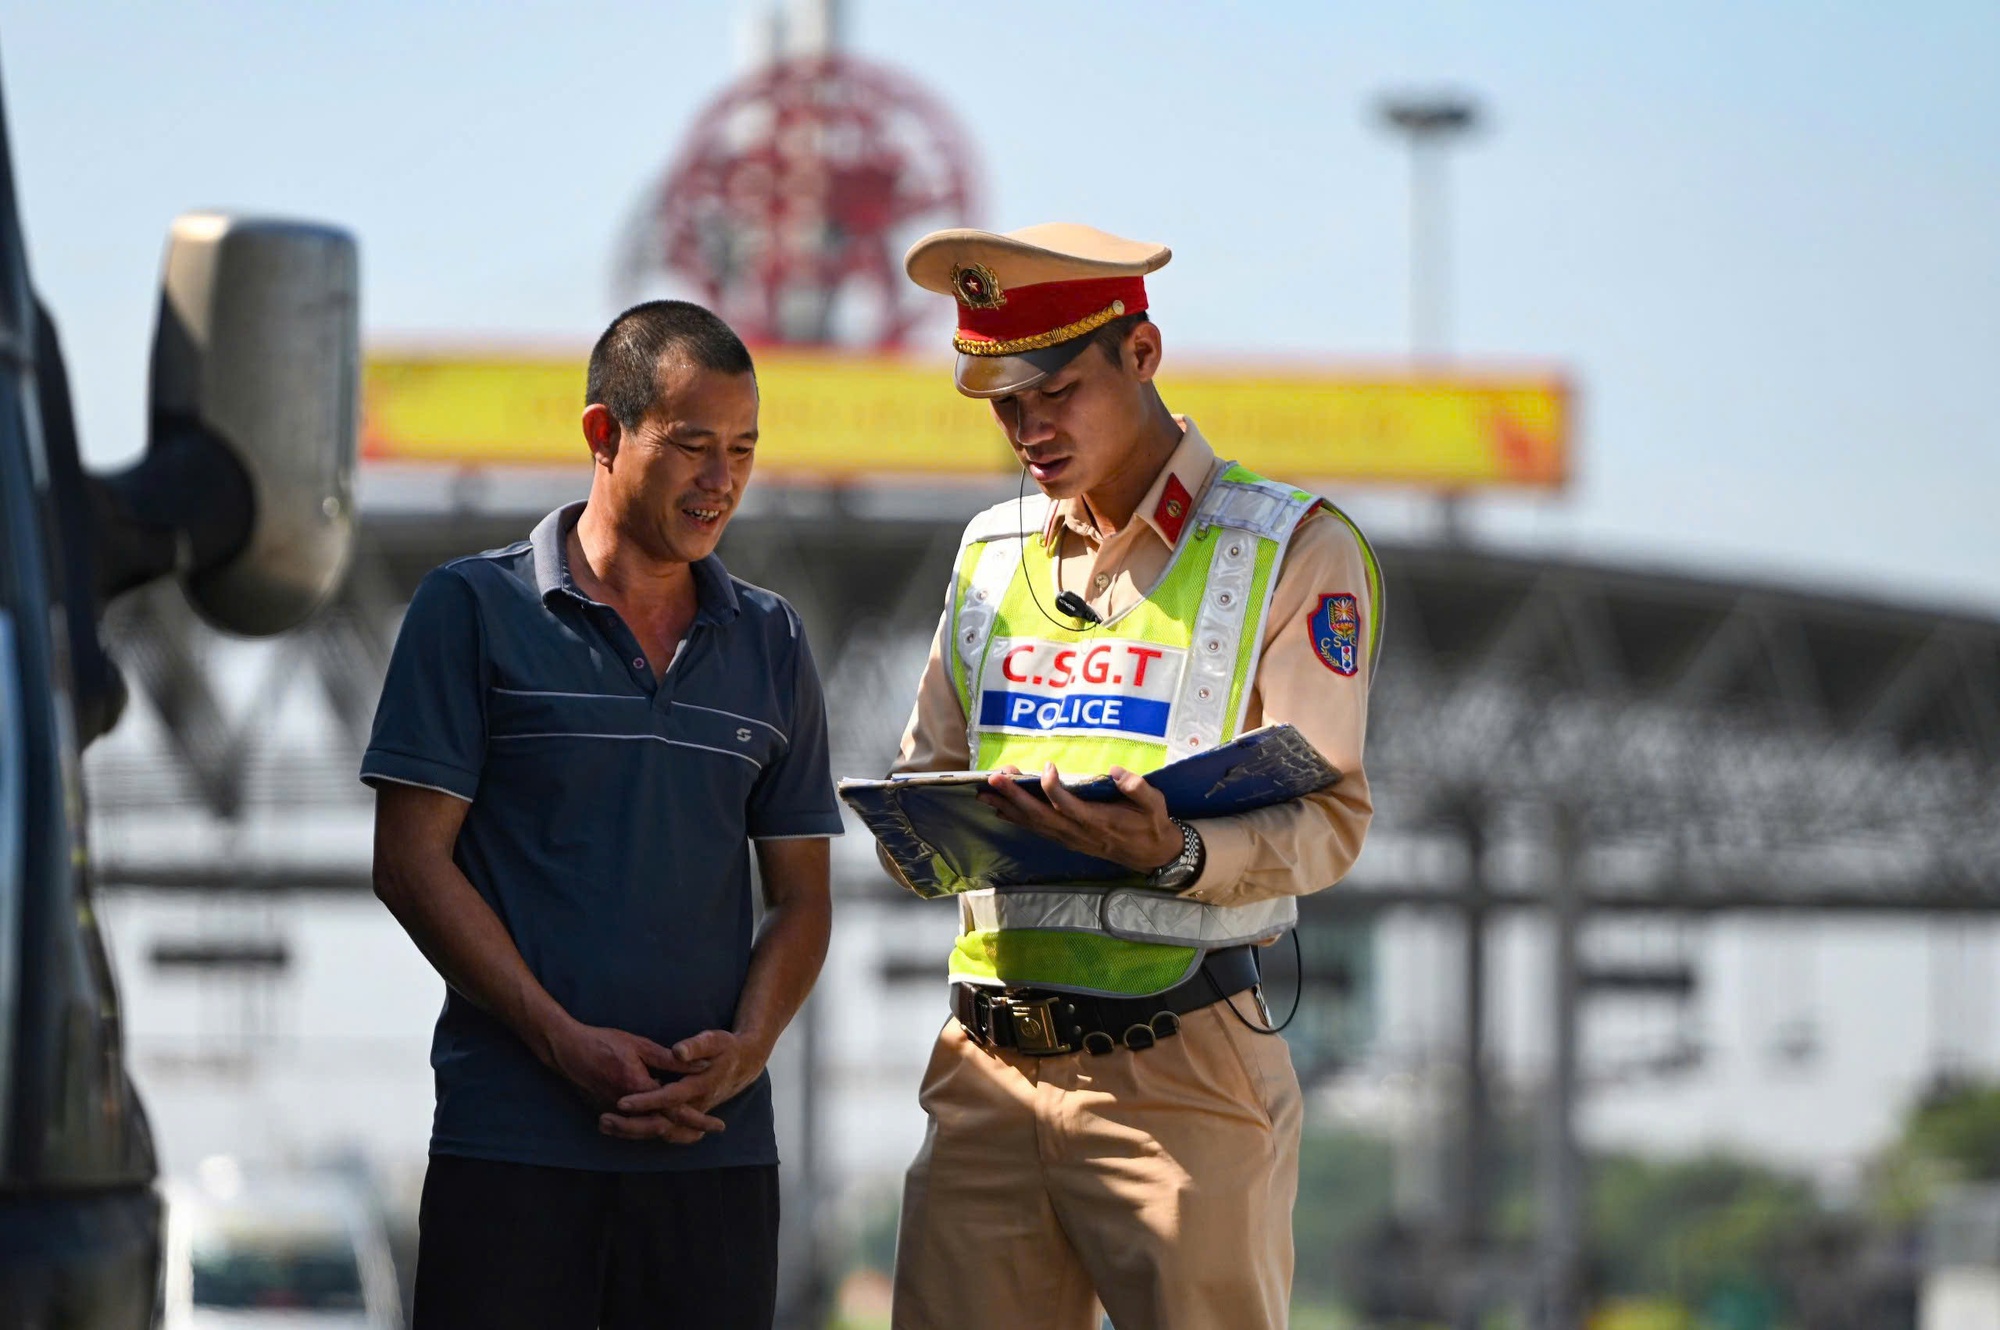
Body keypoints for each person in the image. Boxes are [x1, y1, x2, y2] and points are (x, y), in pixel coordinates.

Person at [884, 224, 1384, 1330]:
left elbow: (1333, 817)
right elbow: (925, 778)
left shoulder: (1292, 549)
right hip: (981, 1071)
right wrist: (924, 829)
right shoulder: (987, 554)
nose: (1029, 430)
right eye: (1005, 405)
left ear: (1143, 354)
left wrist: (1180, 851)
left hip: (1182, 1071)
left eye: (1056, 392)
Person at [362, 300, 841, 1329]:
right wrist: (559, 1041)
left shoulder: (774, 640)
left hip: (715, 1160)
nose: (722, 479)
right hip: (511, 1148)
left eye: (743, 449)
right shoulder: (469, 610)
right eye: (693, 445)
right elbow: (408, 862)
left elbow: (803, 898)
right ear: (603, 433)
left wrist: (749, 1049)